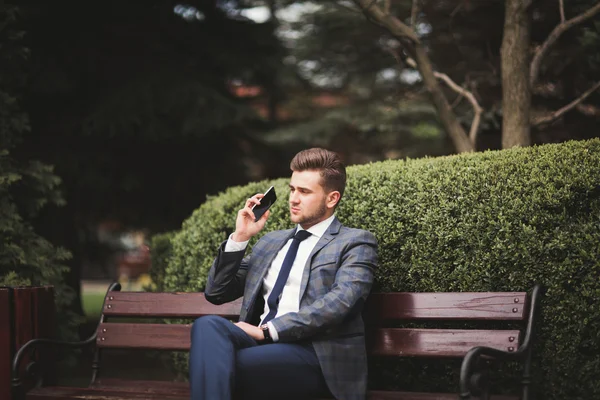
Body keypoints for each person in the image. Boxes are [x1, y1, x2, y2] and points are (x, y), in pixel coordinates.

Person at [189, 148, 378, 400]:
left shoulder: (354, 242)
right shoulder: (271, 242)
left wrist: (269, 330)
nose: (293, 199)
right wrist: (240, 237)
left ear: (332, 198)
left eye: (304, 192)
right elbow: (216, 292)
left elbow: (342, 302)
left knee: (219, 364)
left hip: (314, 354)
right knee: (207, 324)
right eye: (292, 189)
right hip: (261, 346)